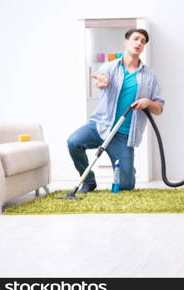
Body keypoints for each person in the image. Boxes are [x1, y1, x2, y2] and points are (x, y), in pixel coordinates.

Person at [67, 28, 164, 193]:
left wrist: (148, 102)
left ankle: (128, 169)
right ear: (126, 42)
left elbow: (159, 108)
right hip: (100, 126)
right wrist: (102, 82)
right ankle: (88, 180)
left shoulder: (150, 75)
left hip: (123, 135)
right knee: (73, 142)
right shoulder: (109, 67)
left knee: (126, 186)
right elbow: (102, 80)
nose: (139, 43)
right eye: (136, 39)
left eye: (143, 41)